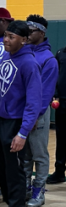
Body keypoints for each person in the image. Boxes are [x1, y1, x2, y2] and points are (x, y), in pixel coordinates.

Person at [0, 21, 42, 207]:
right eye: (5, 35)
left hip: (16, 123)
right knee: (2, 169)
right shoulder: (7, 57)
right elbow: (3, 92)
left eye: (11, 37)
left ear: (24, 39)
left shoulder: (29, 64)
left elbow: (34, 102)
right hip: (3, 120)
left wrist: (22, 133)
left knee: (15, 172)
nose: (6, 40)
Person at [23, 15, 59, 207]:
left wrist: (35, 115)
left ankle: (39, 191)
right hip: (22, 112)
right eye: (26, 30)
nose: (28, 34)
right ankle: (25, 189)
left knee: (39, 154)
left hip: (38, 114)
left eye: (32, 31)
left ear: (42, 33)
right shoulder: (24, 54)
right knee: (25, 154)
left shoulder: (49, 60)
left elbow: (45, 93)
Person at [47, 42, 66, 184]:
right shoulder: (60, 53)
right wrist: (55, 94)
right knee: (62, 138)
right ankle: (59, 172)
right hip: (62, 102)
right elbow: (55, 76)